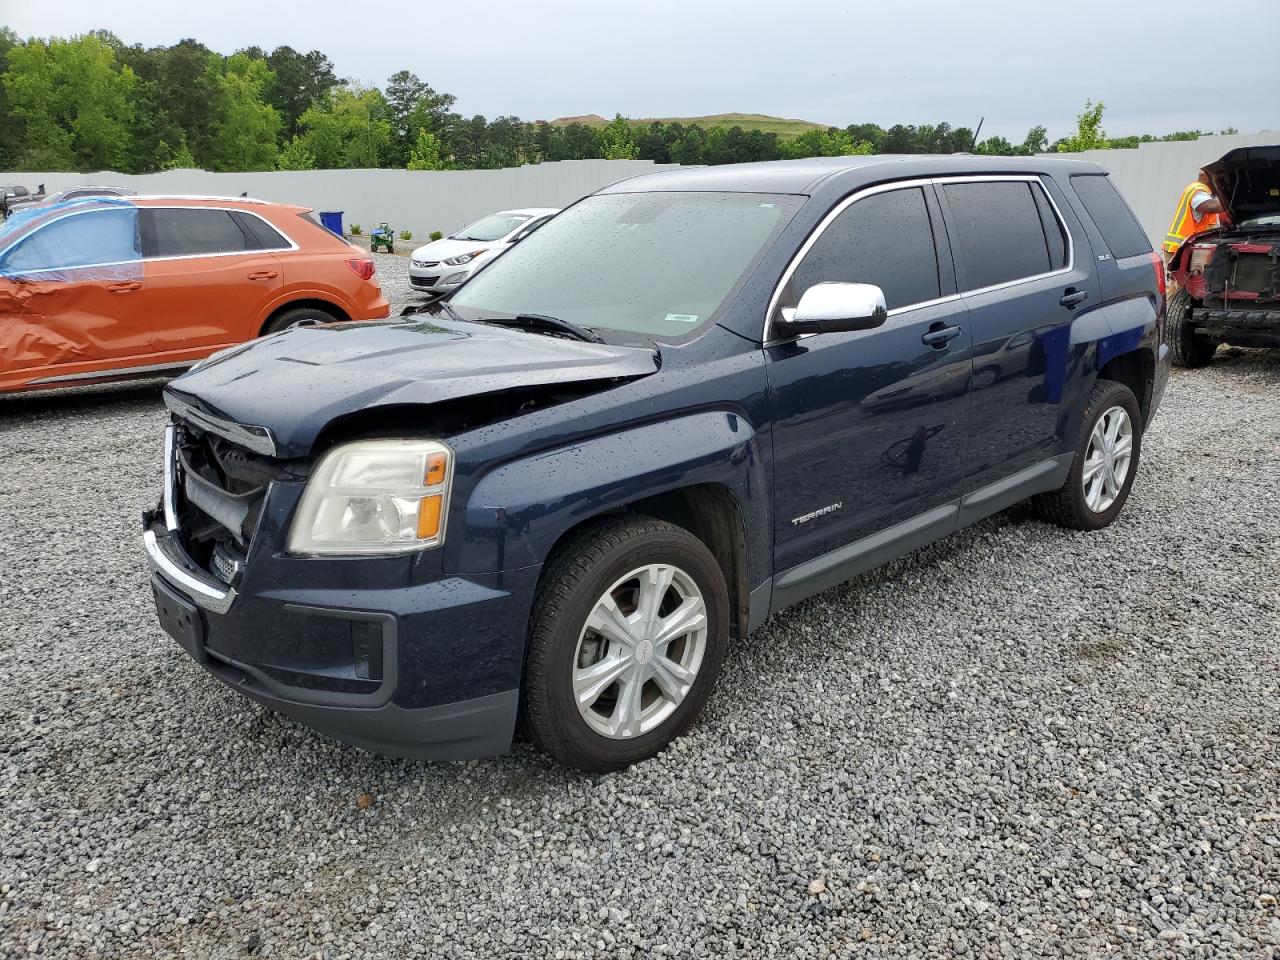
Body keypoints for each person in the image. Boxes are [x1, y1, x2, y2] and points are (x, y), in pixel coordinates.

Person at [1162, 170, 1224, 261]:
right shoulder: (1198, 189)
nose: (1218, 182)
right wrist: (1232, 201)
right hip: (1180, 251)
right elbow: (1211, 207)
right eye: (1216, 178)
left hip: (1183, 250)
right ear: (1204, 176)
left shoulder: (1205, 194)